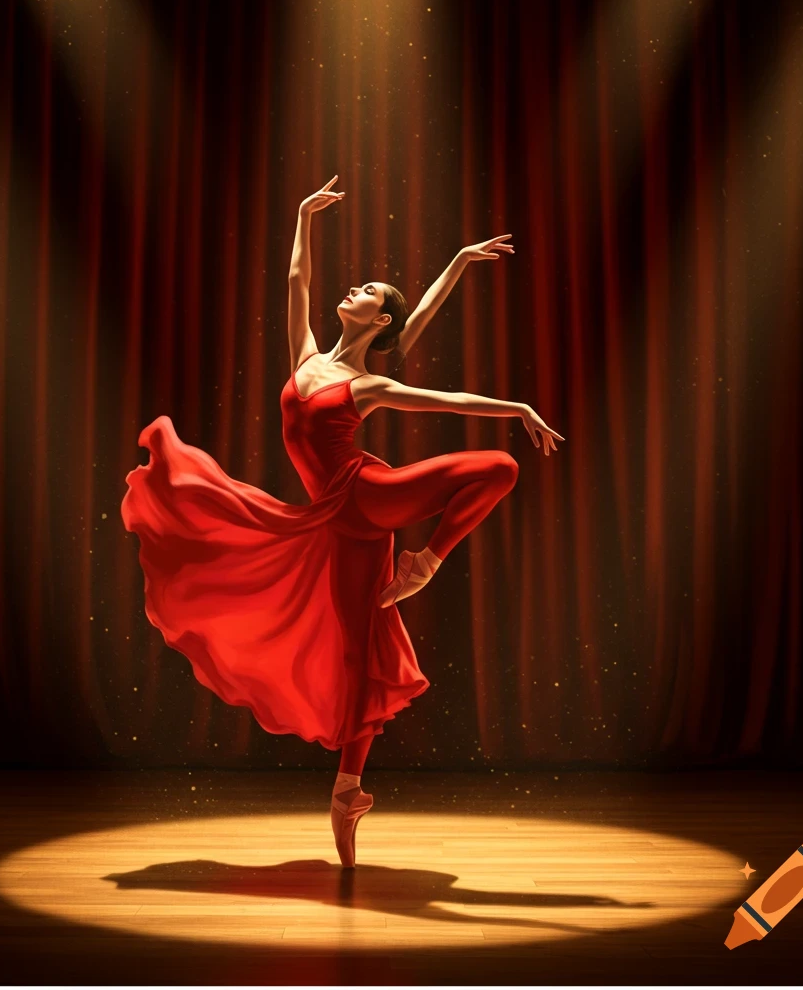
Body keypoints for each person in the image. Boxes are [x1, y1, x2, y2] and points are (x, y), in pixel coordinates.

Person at [121, 174, 564, 867]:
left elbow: (446, 398)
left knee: (499, 469)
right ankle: (347, 792)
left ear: (378, 322)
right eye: (356, 286)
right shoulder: (306, 356)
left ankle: (429, 560)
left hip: (366, 496)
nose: (353, 290)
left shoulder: (369, 385)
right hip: (336, 526)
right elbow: (297, 279)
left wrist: (518, 410)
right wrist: (302, 216)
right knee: (361, 656)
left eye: (367, 293)